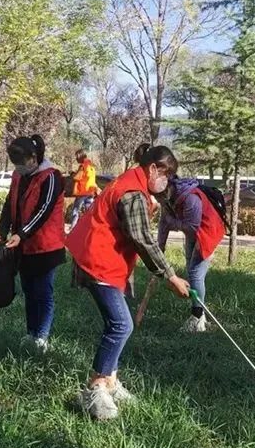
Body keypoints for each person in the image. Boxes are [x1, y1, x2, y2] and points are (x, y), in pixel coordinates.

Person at [66, 146, 191, 421]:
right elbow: (143, 239)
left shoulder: (132, 183)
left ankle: (110, 380)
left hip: (104, 259)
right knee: (121, 324)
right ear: (153, 169)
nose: (166, 180)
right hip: (97, 261)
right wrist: (170, 276)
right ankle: (96, 388)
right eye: (166, 174)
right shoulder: (132, 193)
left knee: (120, 322)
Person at [0, 135, 65, 354]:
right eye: (16, 165)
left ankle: (41, 337)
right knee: (28, 291)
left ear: (33, 157)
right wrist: (2, 230)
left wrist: (22, 233)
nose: (19, 168)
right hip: (23, 247)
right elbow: (10, 204)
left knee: (43, 293)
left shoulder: (52, 177)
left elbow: (43, 210)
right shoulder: (18, 176)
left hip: (46, 247)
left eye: (22, 163)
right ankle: (31, 333)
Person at [157, 175, 226, 332]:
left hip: (208, 231)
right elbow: (164, 221)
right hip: (193, 232)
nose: (159, 200)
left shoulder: (191, 198)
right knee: (191, 270)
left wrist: (171, 222)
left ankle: (197, 317)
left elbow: (191, 227)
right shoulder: (168, 199)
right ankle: (201, 317)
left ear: (169, 188)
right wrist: (159, 247)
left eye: (160, 196)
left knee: (195, 274)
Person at [70, 149, 98, 229]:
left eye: (76, 156)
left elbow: (77, 177)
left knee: (75, 210)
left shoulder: (83, 166)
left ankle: (73, 228)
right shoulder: (91, 166)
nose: (76, 158)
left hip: (82, 192)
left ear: (80, 156)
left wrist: (72, 174)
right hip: (90, 192)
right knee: (89, 212)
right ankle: (90, 228)